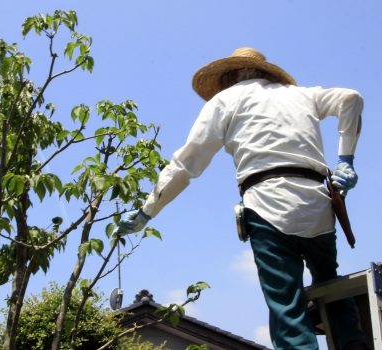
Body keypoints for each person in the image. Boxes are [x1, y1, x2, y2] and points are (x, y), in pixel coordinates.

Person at [117, 47, 369, 350]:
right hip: (318, 204)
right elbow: (351, 98)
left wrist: (147, 212)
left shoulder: (225, 100)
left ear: (231, 76)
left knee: (286, 305)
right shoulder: (300, 95)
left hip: (267, 203)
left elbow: (185, 165)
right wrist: (346, 161)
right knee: (331, 285)